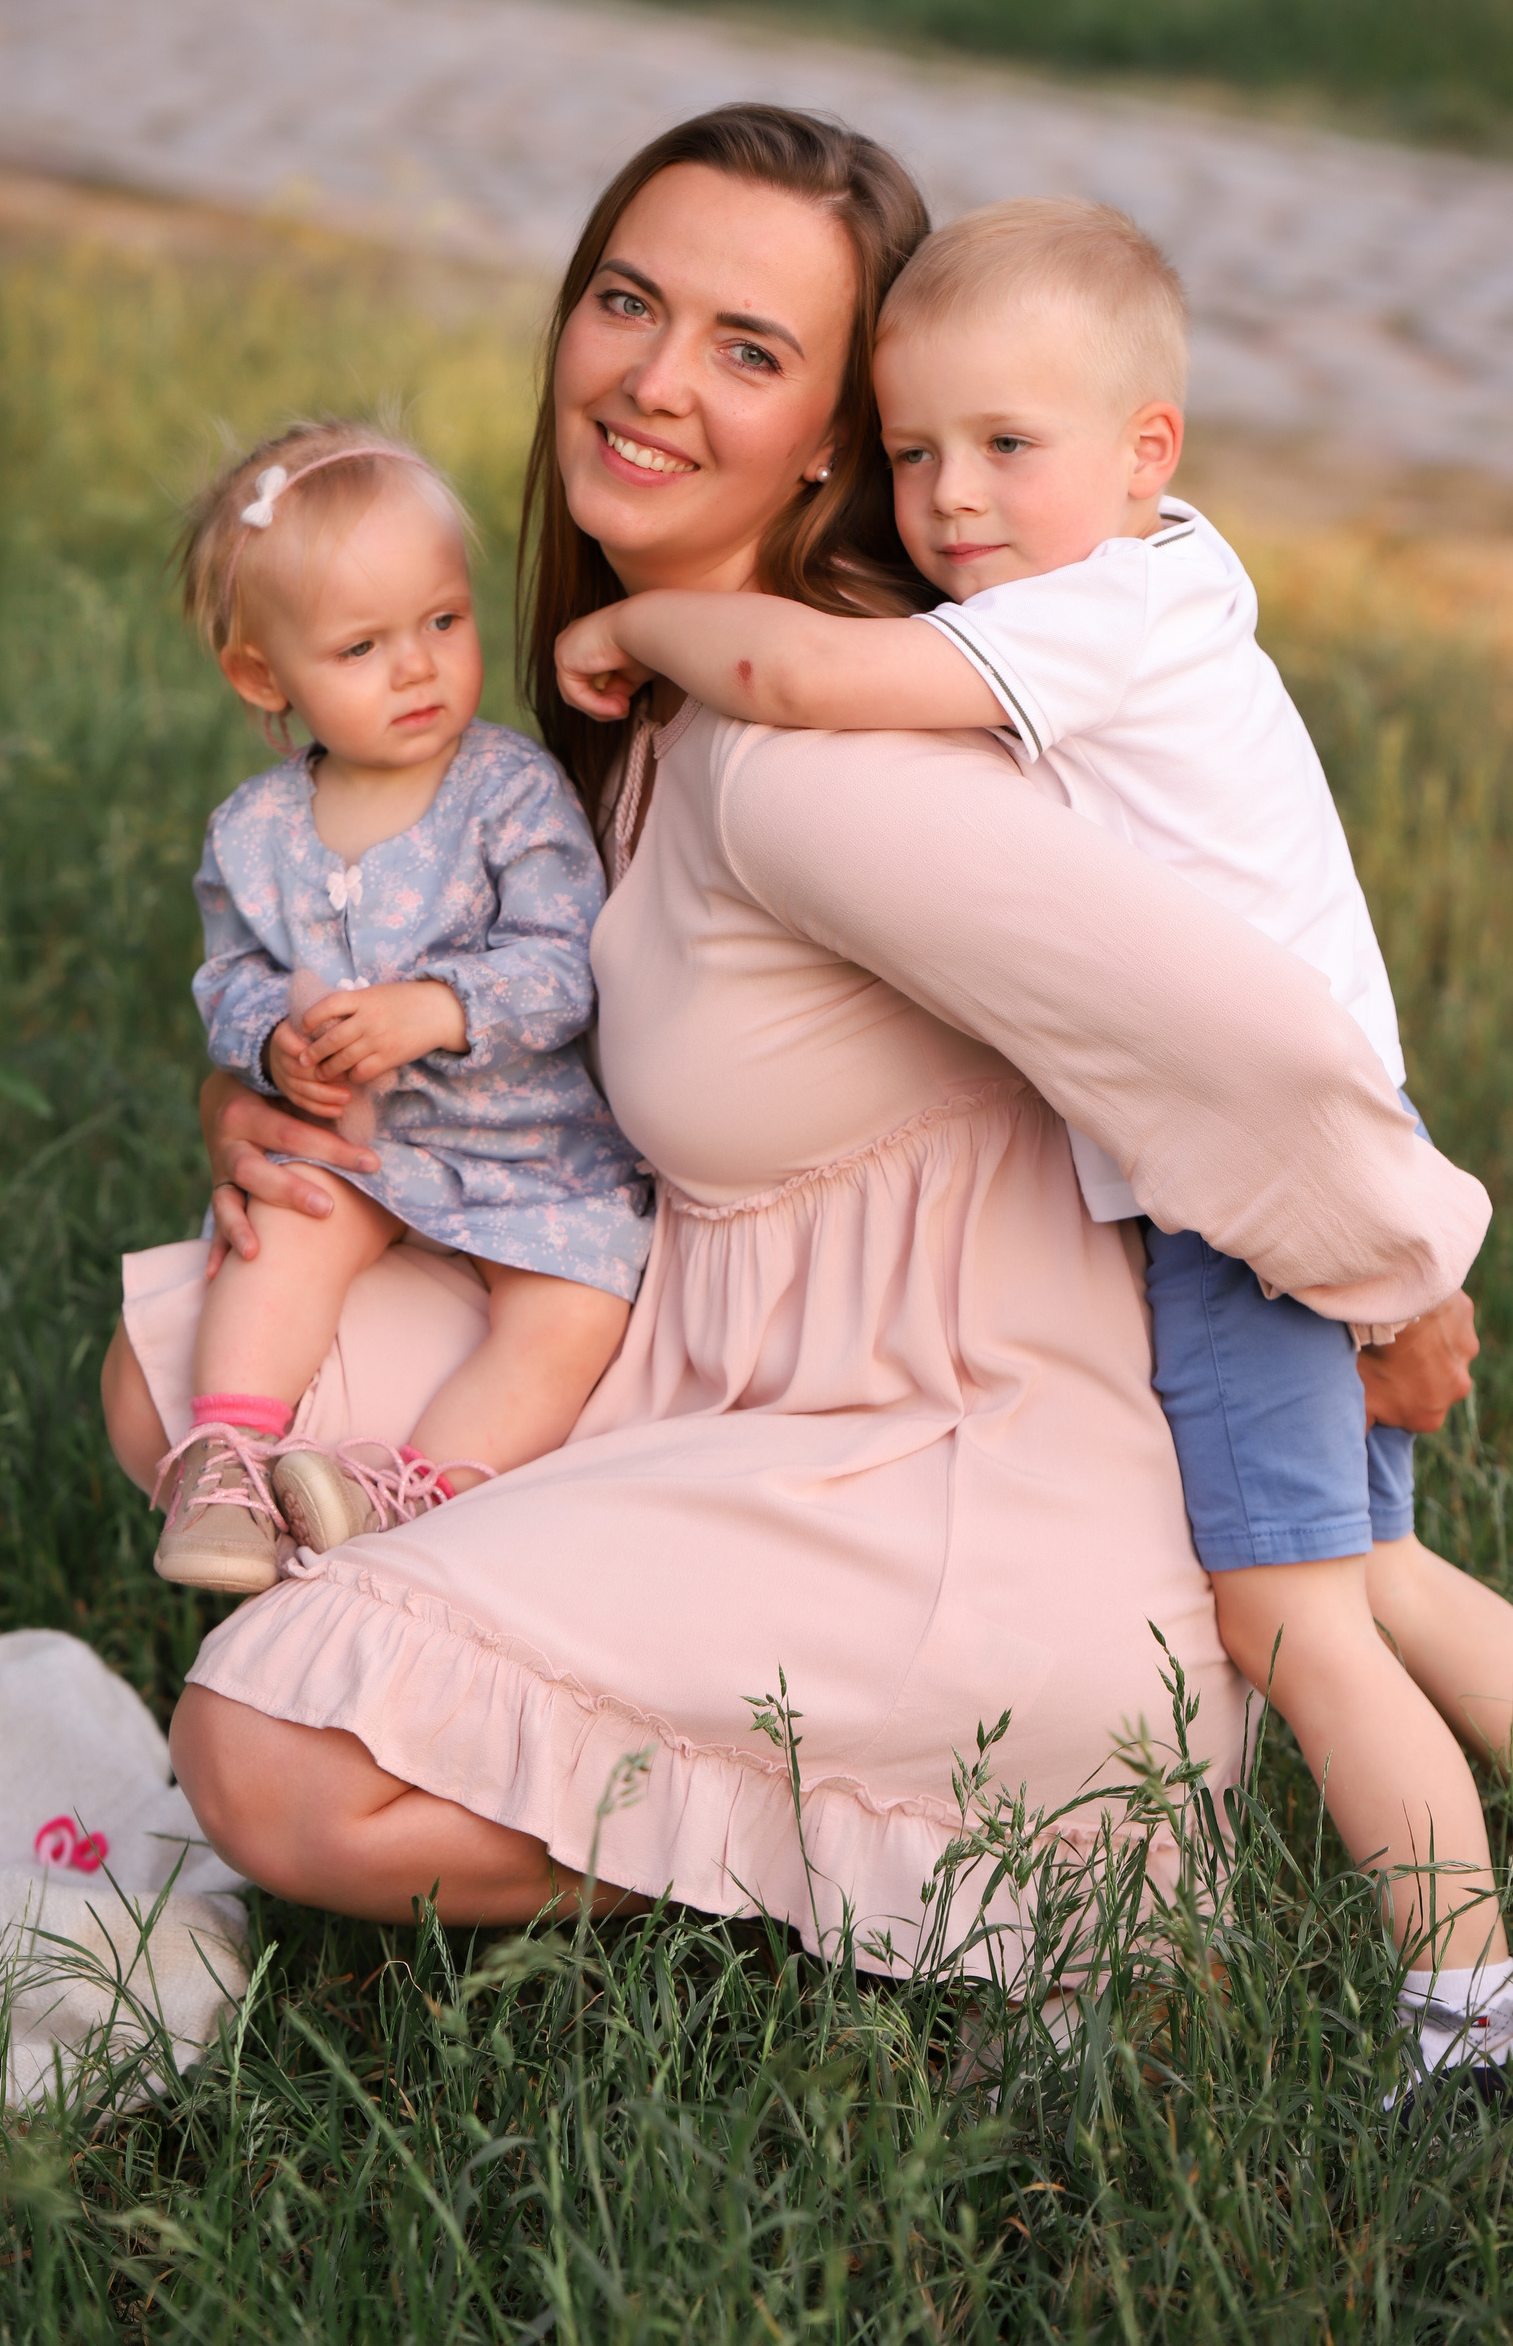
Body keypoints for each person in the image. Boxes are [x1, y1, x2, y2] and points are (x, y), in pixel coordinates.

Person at [101, 110, 1497, 2052]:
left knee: (272, 1758)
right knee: (196, 1384)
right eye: (624, 300)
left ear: (837, 436)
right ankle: (761, 1770)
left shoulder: (816, 756)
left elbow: (1225, 1023)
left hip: (969, 1467)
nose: (654, 378)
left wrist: (1390, 1271)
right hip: (746, 1356)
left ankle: (1024, 1848)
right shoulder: (663, 704)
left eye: (746, 351)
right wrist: (272, 1107)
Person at [547, 195, 1513, 2054]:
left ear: (1147, 452)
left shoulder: (1095, 614)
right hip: (1270, 1157)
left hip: (1252, 1188)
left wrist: (649, 620)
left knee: (1286, 1619)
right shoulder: (1162, 583)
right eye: (913, 453)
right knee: (1375, 1570)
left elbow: (819, 681)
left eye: (1007, 445)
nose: (953, 501)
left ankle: (1464, 2001)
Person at [151, 422, 651, 1595]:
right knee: (280, 1230)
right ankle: (227, 1459)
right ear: (264, 677)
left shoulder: (507, 789)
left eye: (442, 621)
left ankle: (408, 1490)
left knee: (576, 1308)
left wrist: (439, 1005)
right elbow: (227, 975)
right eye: (363, 645)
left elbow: (573, 960)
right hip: (366, 1149)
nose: (418, 667)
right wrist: (272, 1041)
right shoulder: (257, 830)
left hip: (533, 1157)